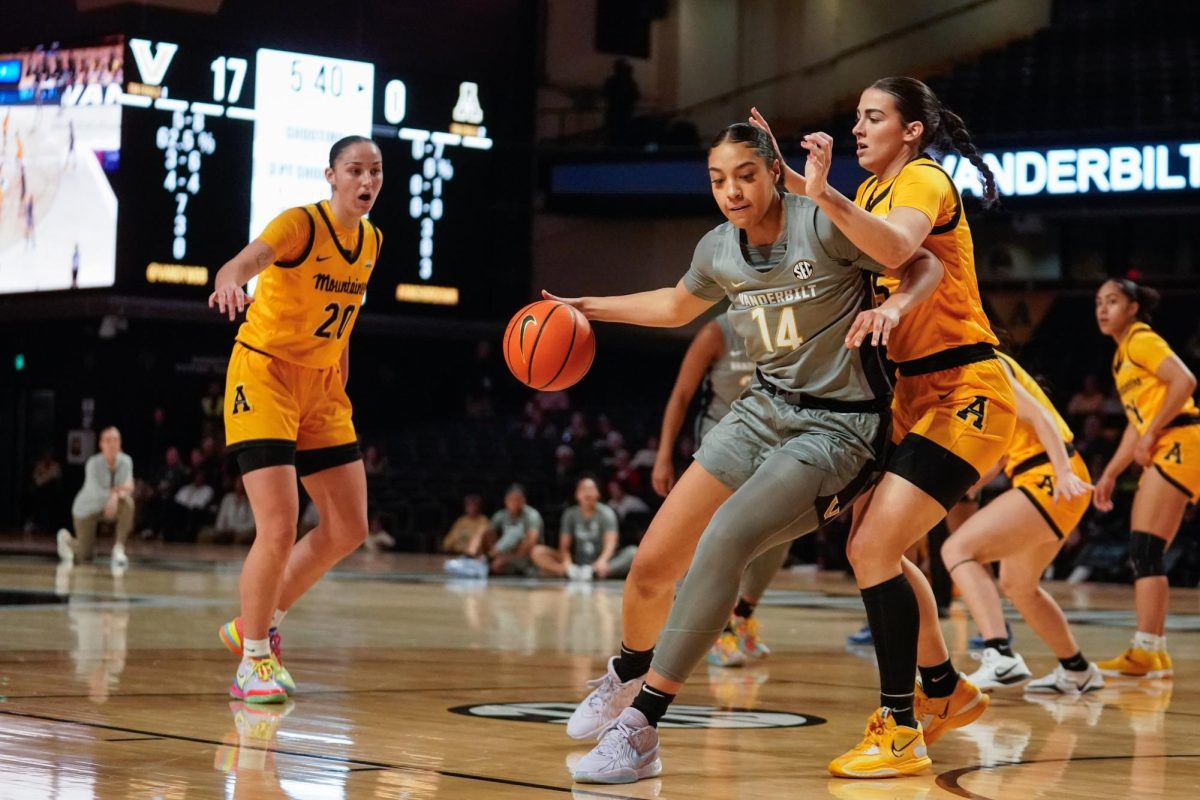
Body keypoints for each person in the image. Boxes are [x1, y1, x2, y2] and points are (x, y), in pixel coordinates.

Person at [557, 122, 944, 784]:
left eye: (744, 175)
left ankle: (643, 725)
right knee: (651, 564)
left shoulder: (818, 225)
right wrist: (587, 307)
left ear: (772, 172)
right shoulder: (717, 248)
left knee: (726, 539)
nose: (731, 191)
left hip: (839, 426)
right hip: (761, 411)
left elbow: (925, 262)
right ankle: (626, 668)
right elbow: (678, 304)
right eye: (717, 180)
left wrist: (898, 307)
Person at [751, 76, 1018, 779]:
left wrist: (822, 191)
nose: (859, 128)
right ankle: (944, 690)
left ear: (912, 132)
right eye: (857, 117)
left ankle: (899, 729)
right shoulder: (868, 193)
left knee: (873, 546)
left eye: (875, 118)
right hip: (907, 395)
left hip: (965, 389)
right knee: (877, 548)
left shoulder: (923, 181)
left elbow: (904, 251)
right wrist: (785, 183)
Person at [209, 135, 384, 704]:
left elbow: (345, 321)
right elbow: (251, 257)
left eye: (375, 172)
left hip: (323, 386)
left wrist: (340, 385)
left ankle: (255, 621)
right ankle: (253, 660)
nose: (366, 181)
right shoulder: (300, 224)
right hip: (264, 374)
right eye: (355, 170)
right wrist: (229, 277)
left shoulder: (372, 241)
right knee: (279, 524)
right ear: (330, 176)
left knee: (349, 526)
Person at [941, 352, 1104, 695]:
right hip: (1047, 476)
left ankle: (1000, 655)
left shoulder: (983, 362)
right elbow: (997, 462)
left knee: (958, 549)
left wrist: (1062, 474)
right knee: (1018, 585)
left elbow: (1042, 417)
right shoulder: (978, 371)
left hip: (1050, 475)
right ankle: (1077, 670)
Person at [651, 312, 792, 666]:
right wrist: (664, 455)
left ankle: (743, 615)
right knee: (721, 537)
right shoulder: (717, 332)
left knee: (784, 529)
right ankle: (715, 631)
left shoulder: (788, 323)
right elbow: (681, 396)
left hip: (776, 437)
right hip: (724, 439)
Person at [1092, 279, 1199, 679]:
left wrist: (1154, 432)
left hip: (1181, 440)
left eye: (1113, 301)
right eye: (1099, 302)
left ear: (1133, 307)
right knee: (1147, 550)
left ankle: (1146, 650)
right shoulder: (1122, 356)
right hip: (1173, 443)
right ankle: (1153, 651)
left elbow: (1185, 381)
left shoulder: (1140, 339)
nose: (1103, 310)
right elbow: (1136, 424)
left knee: (1145, 547)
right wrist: (1111, 473)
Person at [57, 426, 135, 570]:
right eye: (108, 440)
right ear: (101, 444)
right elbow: (96, 492)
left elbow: (129, 487)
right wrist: (117, 493)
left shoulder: (126, 461)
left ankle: (118, 549)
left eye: (116, 440)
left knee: (128, 504)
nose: (112, 444)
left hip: (109, 507)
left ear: (120, 443)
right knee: (85, 555)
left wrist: (116, 496)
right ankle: (67, 541)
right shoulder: (93, 463)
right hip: (87, 510)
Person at [531, 476, 637, 580]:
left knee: (633, 552)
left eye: (591, 489)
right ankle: (566, 572)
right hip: (576, 561)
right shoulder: (570, 514)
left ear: (598, 493)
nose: (587, 492)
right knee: (537, 551)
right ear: (577, 494)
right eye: (583, 489)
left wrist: (602, 561)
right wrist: (567, 563)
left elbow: (611, 544)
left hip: (601, 560)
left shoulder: (607, 513)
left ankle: (595, 573)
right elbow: (564, 546)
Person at [444, 484, 543, 578]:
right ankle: (468, 559)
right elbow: (486, 534)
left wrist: (505, 559)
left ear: (523, 501)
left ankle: (484, 562)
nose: (513, 503)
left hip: (524, 559)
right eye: (510, 499)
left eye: (516, 499)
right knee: (483, 528)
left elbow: (530, 544)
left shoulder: (532, 516)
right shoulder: (501, 515)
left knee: (515, 532)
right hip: (501, 554)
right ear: (505, 500)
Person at [198, 476, 256, 544]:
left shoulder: (251, 500)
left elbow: (252, 524)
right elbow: (221, 518)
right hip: (225, 531)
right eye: (238, 482)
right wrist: (223, 530)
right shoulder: (228, 498)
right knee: (203, 535)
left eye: (242, 482)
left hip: (241, 532)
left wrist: (235, 530)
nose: (240, 485)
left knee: (241, 539)